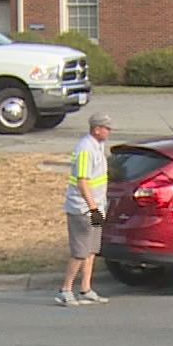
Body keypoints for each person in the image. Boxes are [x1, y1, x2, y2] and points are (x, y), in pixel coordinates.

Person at [58, 111, 113, 306]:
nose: (109, 131)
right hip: (83, 209)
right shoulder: (85, 149)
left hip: (97, 208)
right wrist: (92, 208)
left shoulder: (98, 146)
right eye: (106, 128)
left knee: (91, 249)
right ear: (96, 129)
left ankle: (85, 288)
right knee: (80, 251)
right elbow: (82, 182)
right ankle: (66, 289)